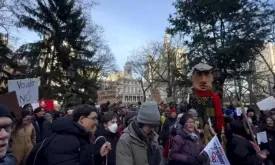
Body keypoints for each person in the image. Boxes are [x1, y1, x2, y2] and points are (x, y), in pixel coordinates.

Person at [27, 104, 111, 165]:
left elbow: (82, 160)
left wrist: (98, 154)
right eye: (93, 118)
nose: (96, 122)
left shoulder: (80, 136)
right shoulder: (66, 140)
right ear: (81, 119)